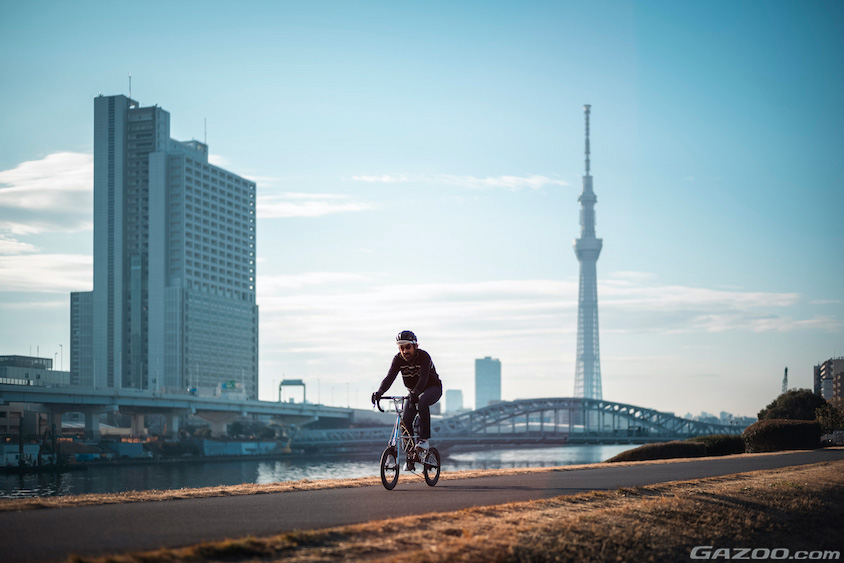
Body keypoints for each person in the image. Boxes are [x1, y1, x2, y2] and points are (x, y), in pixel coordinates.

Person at [372, 330, 442, 453]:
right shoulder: (398, 359)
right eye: (401, 348)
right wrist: (379, 392)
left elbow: (423, 378)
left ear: (415, 346)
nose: (404, 351)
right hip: (414, 392)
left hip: (432, 388)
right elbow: (390, 377)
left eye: (408, 347)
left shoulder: (424, 356)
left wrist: (416, 392)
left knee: (422, 402)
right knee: (405, 421)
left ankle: (424, 440)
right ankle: (411, 453)